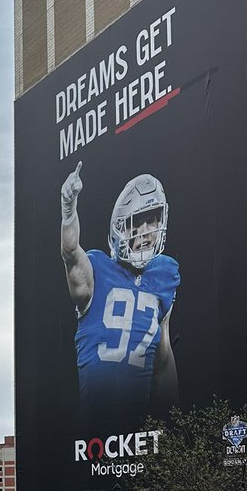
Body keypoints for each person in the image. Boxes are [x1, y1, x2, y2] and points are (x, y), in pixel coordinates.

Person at [59, 163, 179, 424]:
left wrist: (171, 419)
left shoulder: (165, 276)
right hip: (96, 424)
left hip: (139, 426)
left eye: (153, 219)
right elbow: (70, 253)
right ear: (121, 228)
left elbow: (164, 358)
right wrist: (68, 210)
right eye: (139, 221)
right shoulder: (97, 270)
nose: (147, 231)